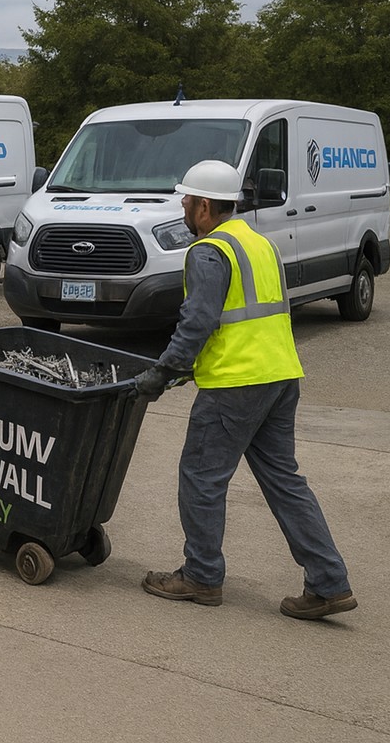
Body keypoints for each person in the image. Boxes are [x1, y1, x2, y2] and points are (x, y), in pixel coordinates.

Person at [134, 159, 355, 620]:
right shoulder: (260, 244)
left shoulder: (209, 251)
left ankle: (201, 576)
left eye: (188, 200)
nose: (183, 205)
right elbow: (257, 313)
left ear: (206, 208)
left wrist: (164, 371)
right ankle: (329, 582)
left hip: (236, 384)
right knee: (285, 482)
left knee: (201, 478)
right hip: (280, 375)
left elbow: (199, 320)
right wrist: (194, 367)